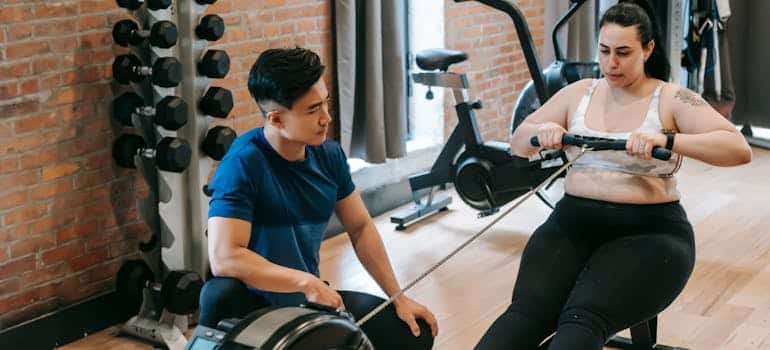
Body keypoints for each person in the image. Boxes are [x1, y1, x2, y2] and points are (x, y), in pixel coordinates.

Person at [476, 1, 752, 349]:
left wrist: (666, 139)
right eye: (604, 51)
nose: (611, 63)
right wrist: (542, 131)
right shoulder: (579, 93)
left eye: (623, 52)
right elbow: (518, 143)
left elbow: (737, 148)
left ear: (648, 48)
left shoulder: (671, 97)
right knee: (520, 321)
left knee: (577, 327)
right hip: (571, 226)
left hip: (650, 234)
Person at [199, 47, 438, 349]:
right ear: (276, 120)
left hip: (306, 302)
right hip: (253, 307)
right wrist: (305, 281)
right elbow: (225, 257)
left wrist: (397, 297)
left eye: (325, 103)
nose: (326, 118)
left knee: (413, 334)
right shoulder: (242, 164)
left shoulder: (329, 156)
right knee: (217, 293)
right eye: (312, 110)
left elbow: (361, 228)